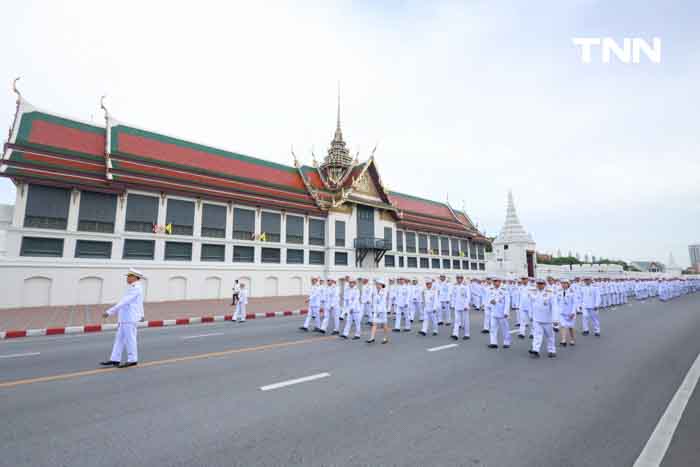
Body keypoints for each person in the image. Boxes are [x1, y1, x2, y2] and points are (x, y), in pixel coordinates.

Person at [100, 268, 145, 368]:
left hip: (130, 318)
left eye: (129, 276)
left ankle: (132, 359)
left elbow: (124, 302)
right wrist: (142, 315)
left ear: (134, 277)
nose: (127, 278)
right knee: (119, 339)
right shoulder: (133, 287)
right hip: (126, 318)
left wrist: (109, 312)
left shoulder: (136, 288)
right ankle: (115, 359)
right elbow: (139, 303)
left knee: (130, 339)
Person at [528, 278, 557, 358]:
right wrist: (531, 315)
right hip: (536, 318)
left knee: (550, 335)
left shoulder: (550, 293)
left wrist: (555, 319)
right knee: (537, 335)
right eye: (538, 283)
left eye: (541, 284)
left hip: (547, 319)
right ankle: (535, 350)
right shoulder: (533, 292)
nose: (539, 285)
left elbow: (554, 306)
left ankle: (551, 350)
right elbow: (531, 304)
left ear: (544, 284)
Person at [486, 277, 511, 349]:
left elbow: (507, 302)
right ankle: (493, 343)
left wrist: (506, 312)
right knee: (493, 328)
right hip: (493, 312)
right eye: (494, 281)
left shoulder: (504, 290)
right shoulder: (490, 289)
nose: (495, 283)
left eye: (497, 281)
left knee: (505, 328)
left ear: (500, 282)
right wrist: (490, 304)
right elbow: (488, 299)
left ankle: (506, 342)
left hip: (502, 313)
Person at [367, 278, 390, 344]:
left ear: (381, 285)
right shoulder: (375, 291)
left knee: (384, 324)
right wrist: (373, 309)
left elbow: (382, 302)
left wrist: (379, 311)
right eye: (376, 284)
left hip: (382, 311)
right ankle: (372, 338)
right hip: (376, 311)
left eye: (378, 284)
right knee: (374, 324)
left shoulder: (384, 292)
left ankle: (385, 338)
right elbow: (374, 301)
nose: (377, 285)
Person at [557, 279, 578, 346]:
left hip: (570, 313)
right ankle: (563, 340)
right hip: (562, 313)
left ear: (568, 284)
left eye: (565, 283)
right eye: (562, 283)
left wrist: (573, 312)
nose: (563, 285)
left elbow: (575, 303)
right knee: (562, 326)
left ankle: (572, 339)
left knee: (571, 327)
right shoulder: (559, 292)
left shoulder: (572, 292)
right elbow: (557, 302)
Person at [451, 274, 472, 340]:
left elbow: (468, 296)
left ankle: (467, 334)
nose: (459, 279)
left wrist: (466, 305)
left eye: (460, 278)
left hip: (464, 306)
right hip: (457, 305)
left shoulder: (466, 286)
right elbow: (453, 296)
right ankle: (455, 334)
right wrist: (452, 304)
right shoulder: (454, 286)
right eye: (458, 278)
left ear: (462, 279)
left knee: (465, 320)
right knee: (457, 320)